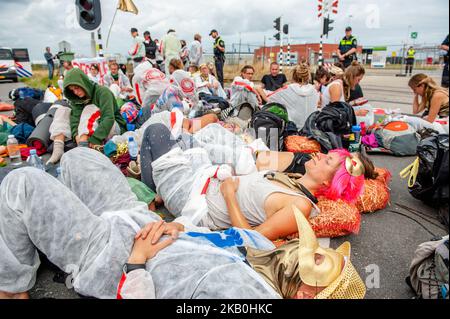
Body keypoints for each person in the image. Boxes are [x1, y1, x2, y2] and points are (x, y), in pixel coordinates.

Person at [0, 149, 366, 300]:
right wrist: (179, 228)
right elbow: (218, 237)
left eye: (317, 261)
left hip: (109, 254)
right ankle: (44, 233)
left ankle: (14, 286)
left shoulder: (248, 299)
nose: (309, 248)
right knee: (82, 157)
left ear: (307, 295)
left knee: (21, 182)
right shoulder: (270, 254)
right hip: (144, 220)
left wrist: (136, 263)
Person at [140, 123, 376, 241]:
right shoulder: (293, 181)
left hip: (196, 200)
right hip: (206, 179)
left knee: (156, 131)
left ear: (328, 184)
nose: (319, 155)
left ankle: (152, 193)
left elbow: (250, 240)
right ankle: (158, 188)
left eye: (327, 161)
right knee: (185, 137)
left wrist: (230, 193)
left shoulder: (300, 206)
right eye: (327, 154)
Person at [267, 63, 319, 129]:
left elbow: (269, 98)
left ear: (294, 76)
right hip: (311, 129)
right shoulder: (315, 90)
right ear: (308, 77)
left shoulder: (287, 89)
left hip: (293, 130)